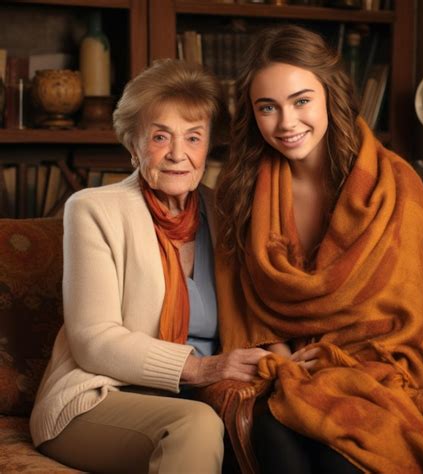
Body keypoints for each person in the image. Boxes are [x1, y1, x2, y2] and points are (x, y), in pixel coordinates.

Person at [215, 25, 423, 474]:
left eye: (301, 101)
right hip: (286, 369)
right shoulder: (239, 190)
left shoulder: (393, 185)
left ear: (329, 94)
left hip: (384, 370)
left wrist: (342, 363)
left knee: (348, 452)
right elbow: (241, 300)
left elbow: (421, 319)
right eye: (267, 108)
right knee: (273, 431)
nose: (287, 123)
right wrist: (282, 358)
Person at [30, 59, 269, 474]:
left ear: (208, 145)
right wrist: (201, 367)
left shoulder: (227, 214)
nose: (178, 154)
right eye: (161, 137)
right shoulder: (93, 209)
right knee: (196, 426)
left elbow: (263, 311)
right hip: (101, 397)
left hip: (202, 397)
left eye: (193, 137)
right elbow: (93, 340)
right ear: (133, 143)